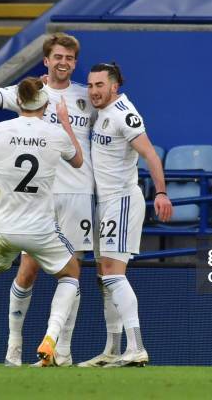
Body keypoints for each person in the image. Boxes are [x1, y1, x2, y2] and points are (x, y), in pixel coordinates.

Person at [0, 32, 92, 367]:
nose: (63, 63)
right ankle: (14, 347)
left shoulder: (86, 96)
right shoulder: (31, 92)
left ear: (74, 63)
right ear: (46, 60)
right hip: (39, 200)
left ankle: (62, 352)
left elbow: (113, 115)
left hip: (78, 195)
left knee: (73, 270)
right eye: (58, 57)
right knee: (27, 273)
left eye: (69, 58)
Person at [77, 63, 173, 368]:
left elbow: (150, 155)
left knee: (113, 273)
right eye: (90, 85)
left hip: (122, 201)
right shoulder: (101, 111)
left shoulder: (124, 114)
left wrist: (160, 192)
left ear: (114, 86)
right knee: (104, 276)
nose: (93, 91)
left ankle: (136, 347)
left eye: (100, 85)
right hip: (103, 203)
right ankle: (112, 349)